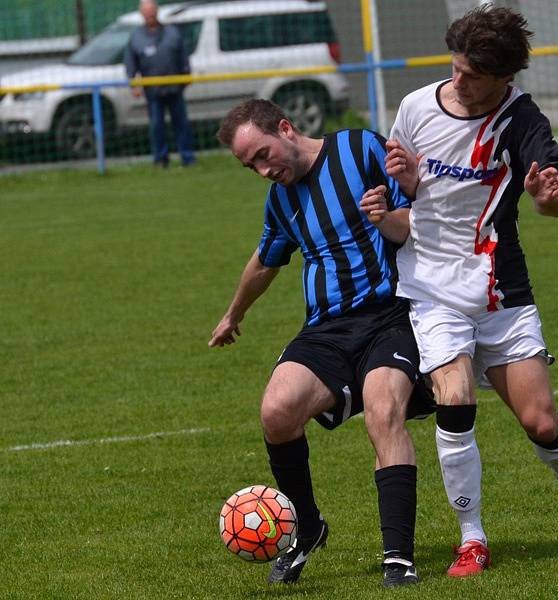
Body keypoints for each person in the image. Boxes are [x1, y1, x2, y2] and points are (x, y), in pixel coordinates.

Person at [370, 4, 558, 577]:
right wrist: (401, 190)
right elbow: (407, 196)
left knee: (541, 422)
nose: (459, 80)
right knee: (455, 398)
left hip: (499, 289)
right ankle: (472, 539)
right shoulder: (415, 107)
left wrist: (546, 194)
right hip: (431, 287)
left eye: (473, 75)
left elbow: (551, 198)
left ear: (505, 80)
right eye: (456, 66)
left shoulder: (521, 121)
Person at [209, 98, 433, 588]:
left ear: (286, 128)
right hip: (326, 329)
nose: (263, 169)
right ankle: (307, 528)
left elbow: (425, 209)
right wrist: (233, 314)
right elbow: (266, 259)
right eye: (251, 166)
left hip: (391, 315)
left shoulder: (361, 148)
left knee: (382, 409)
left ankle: (399, 557)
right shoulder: (281, 200)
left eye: (263, 154)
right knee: (277, 409)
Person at [124, 0, 195, 167]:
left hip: (175, 88)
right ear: (141, 14)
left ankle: (188, 157)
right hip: (153, 91)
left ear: (157, 11)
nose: (150, 15)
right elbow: (130, 62)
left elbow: (182, 56)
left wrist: (186, 75)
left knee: (182, 124)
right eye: (146, 12)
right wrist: (133, 84)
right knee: (157, 126)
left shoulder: (172, 32)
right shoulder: (136, 36)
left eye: (152, 11)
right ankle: (160, 159)